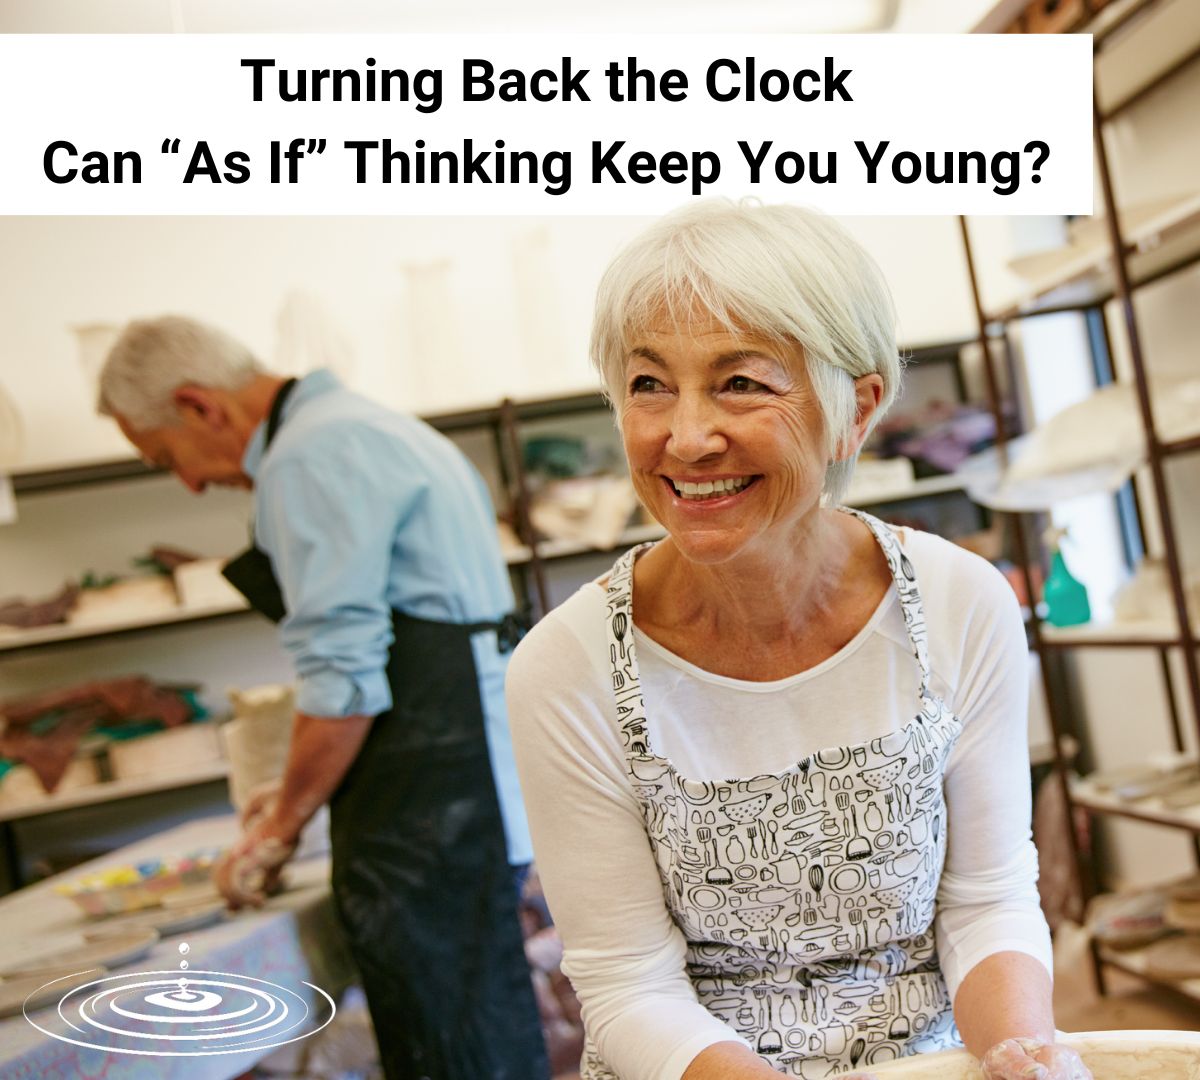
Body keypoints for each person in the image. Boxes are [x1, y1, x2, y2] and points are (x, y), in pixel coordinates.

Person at [505, 199, 1091, 1080]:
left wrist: (1018, 1055)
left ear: (855, 410)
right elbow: (629, 985)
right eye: (648, 384)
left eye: (741, 382)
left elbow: (986, 901)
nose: (687, 436)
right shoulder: (568, 665)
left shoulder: (958, 601)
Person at [96, 318, 548, 1079]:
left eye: (166, 456)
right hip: (464, 778)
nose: (189, 483)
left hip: (431, 802)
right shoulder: (378, 427)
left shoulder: (309, 457)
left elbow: (343, 683)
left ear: (200, 406)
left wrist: (280, 825)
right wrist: (299, 786)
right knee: (485, 1034)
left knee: (456, 1050)